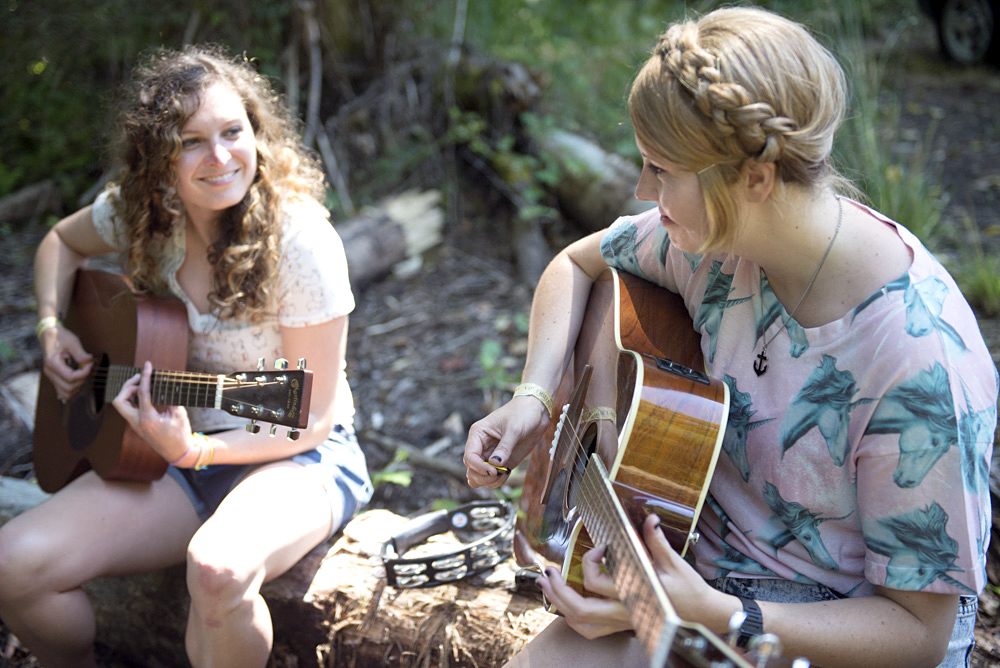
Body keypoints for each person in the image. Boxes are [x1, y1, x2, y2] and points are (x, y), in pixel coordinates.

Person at [464, 7, 997, 668]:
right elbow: (576, 265)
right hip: (693, 579)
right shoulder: (713, 246)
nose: (640, 189)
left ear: (754, 178)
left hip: (822, 636)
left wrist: (718, 614)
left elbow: (918, 636)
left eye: (661, 171)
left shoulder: (922, 362)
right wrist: (535, 399)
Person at [0, 45, 373, 667]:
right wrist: (49, 326)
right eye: (192, 141)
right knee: (16, 565)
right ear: (157, 158)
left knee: (219, 569)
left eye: (233, 131)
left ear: (256, 132)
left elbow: (309, 419)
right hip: (169, 455)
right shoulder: (147, 216)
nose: (221, 156)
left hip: (298, 456)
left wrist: (198, 449)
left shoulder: (302, 243)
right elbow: (61, 242)